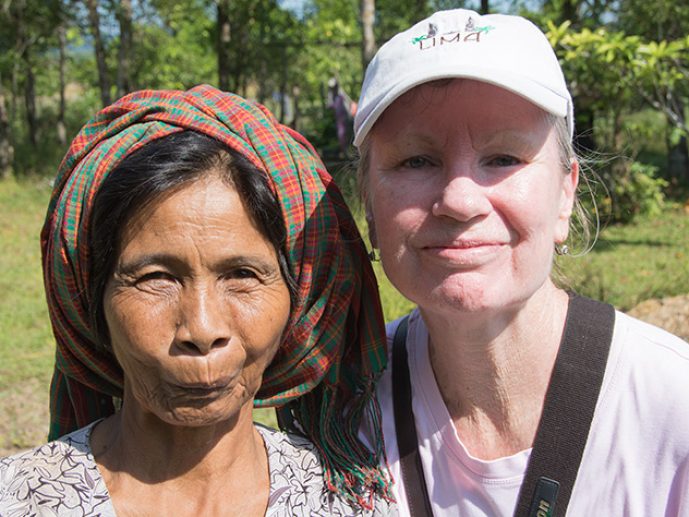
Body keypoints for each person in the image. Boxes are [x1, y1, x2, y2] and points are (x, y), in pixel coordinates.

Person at [353, 8, 689, 516]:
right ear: (370, 208)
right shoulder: (345, 416)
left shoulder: (673, 414)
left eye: (504, 157)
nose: (460, 199)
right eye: (415, 160)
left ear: (565, 195)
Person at [0, 85, 396, 515]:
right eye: (156, 278)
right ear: (92, 300)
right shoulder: (19, 499)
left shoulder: (350, 504)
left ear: (297, 300)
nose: (202, 330)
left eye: (242, 275)